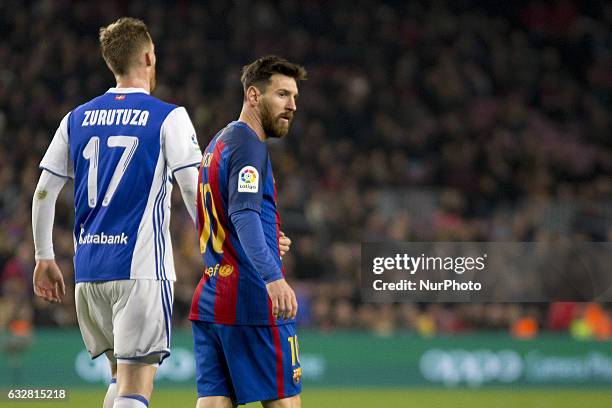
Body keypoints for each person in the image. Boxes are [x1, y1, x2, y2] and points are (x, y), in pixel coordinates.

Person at [31, 17, 202, 408]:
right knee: (137, 385)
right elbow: (193, 187)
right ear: (148, 55)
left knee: (118, 379)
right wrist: (216, 244)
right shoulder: (168, 117)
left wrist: (44, 258)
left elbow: (44, 191)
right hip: (140, 270)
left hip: (89, 273)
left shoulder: (75, 119)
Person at [189, 55, 306, 407]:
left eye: (295, 97)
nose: (292, 106)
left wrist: (269, 237)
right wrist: (273, 276)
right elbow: (243, 215)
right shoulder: (249, 146)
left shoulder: (219, 144)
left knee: (214, 402)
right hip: (251, 297)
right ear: (253, 96)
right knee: (284, 401)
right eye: (282, 95)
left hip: (212, 295)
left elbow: (225, 215)